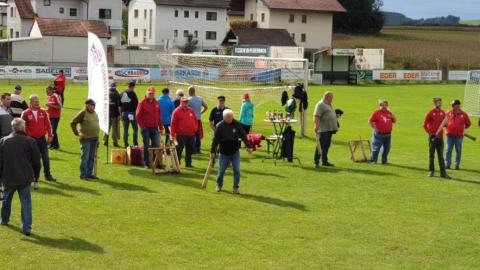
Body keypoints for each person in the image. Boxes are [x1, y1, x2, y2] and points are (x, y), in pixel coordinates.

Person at [0, 118, 41, 236]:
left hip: (8, 177)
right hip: (25, 177)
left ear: (12, 127)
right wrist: (36, 176)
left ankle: (4, 220)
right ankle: (26, 227)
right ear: (23, 128)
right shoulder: (30, 141)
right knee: (26, 202)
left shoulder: (3, 141)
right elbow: (36, 162)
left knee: (6, 200)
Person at [211, 109, 252, 194]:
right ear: (224, 118)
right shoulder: (219, 126)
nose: (230, 119)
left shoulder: (237, 124)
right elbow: (215, 140)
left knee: (237, 170)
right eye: (228, 117)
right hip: (223, 153)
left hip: (235, 152)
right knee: (221, 170)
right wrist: (212, 152)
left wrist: (248, 146)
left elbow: (243, 136)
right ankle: (219, 185)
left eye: (231, 117)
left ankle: (235, 188)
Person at [21, 95, 56, 182]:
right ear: (30, 102)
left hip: (42, 139)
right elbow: (22, 126)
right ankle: (32, 175)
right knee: (33, 158)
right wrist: (25, 138)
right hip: (31, 139)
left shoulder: (43, 112)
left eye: (38, 101)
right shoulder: (25, 113)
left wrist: (50, 135)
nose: (37, 103)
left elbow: (48, 124)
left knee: (46, 157)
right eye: (35, 101)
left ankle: (47, 175)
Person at [436, 99, 471, 170]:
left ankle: (457, 165)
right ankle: (447, 164)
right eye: (452, 105)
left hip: (459, 136)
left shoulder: (464, 114)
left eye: (453, 105)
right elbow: (443, 123)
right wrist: (447, 126)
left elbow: (468, 124)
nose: (452, 106)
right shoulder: (448, 113)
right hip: (449, 135)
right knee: (448, 150)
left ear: (458, 106)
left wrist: (463, 128)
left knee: (458, 150)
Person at [71, 99, 100, 180]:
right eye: (92, 105)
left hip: (94, 139)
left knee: (91, 158)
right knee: (85, 157)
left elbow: (96, 125)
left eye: (94, 105)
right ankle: (83, 175)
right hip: (86, 139)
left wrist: (97, 138)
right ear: (87, 105)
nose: (94, 106)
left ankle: (89, 174)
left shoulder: (95, 113)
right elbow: (73, 122)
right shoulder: (83, 113)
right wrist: (78, 133)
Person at [136, 87, 164, 169]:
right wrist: (143, 127)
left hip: (155, 128)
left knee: (157, 145)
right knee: (146, 146)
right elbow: (138, 116)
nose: (150, 94)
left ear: (154, 94)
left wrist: (161, 127)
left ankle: (156, 162)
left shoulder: (157, 103)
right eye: (149, 93)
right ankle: (146, 163)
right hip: (146, 128)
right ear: (146, 93)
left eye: (152, 93)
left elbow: (159, 116)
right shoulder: (142, 102)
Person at [423, 98, 450, 179]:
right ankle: (431, 171)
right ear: (435, 103)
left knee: (441, 156)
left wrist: (446, 123)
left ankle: (443, 173)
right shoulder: (430, 112)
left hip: (440, 137)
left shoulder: (443, 113)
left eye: (440, 103)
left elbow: (444, 125)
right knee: (431, 155)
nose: (440, 104)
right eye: (438, 103)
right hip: (432, 138)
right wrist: (430, 133)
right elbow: (424, 125)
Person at [170, 97, 198, 168]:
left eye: (186, 102)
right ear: (181, 102)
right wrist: (172, 134)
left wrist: (195, 128)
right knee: (179, 150)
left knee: (189, 150)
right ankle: (177, 164)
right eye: (184, 102)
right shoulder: (176, 111)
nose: (186, 103)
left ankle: (188, 163)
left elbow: (195, 120)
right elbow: (173, 124)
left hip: (191, 134)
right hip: (181, 134)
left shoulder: (191, 110)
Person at [313, 91, 338, 168]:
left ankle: (324, 161)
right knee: (320, 146)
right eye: (331, 98)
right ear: (327, 97)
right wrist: (316, 126)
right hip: (323, 129)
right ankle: (316, 161)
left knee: (327, 145)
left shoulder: (328, 104)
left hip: (329, 129)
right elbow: (316, 116)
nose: (332, 99)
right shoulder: (320, 104)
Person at [369, 99, 396, 164]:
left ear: (387, 105)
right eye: (382, 105)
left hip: (388, 134)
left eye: (385, 105)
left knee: (387, 149)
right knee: (376, 148)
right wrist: (375, 129)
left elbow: (394, 121)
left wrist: (392, 113)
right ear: (380, 105)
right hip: (379, 134)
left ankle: (384, 161)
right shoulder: (376, 112)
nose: (384, 107)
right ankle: (373, 161)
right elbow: (370, 121)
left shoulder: (389, 113)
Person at [187, 86, 208, 153]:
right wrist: (201, 112)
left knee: (191, 134)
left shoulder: (189, 99)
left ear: (190, 91)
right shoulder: (200, 98)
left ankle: (192, 149)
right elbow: (206, 107)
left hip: (191, 120)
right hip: (198, 119)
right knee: (197, 134)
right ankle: (198, 149)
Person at [120, 80, 139, 148]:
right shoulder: (133, 93)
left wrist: (120, 114)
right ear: (132, 87)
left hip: (124, 113)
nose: (133, 89)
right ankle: (135, 143)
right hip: (131, 113)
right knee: (135, 129)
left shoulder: (121, 93)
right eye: (133, 87)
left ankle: (126, 144)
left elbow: (119, 105)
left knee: (125, 129)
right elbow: (137, 104)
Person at [104, 83, 121, 148]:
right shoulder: (117, 94)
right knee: (114, 129)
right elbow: (119, 106)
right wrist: (119, 114)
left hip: (107, 114)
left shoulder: (106, 93)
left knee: (107, 128)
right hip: (115, 114)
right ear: (115, 87)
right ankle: (115, 142)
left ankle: (105, 141)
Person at [45, 85, 62, 150]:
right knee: (50, 131)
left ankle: (56, 145)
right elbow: (49, 107)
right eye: (46, 91)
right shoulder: (49, 97)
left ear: (52, 90)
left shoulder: (55, 96)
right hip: (49, 116)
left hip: (55, 116)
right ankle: (51, 145)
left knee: (53, 131)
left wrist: (50, 105)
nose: (46, 92)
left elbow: (60, 106)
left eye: (47, 91)